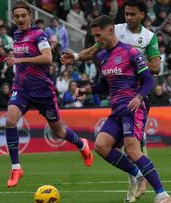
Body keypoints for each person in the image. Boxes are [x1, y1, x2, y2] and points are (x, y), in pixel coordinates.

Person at [61, 1, 160, 200]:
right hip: (117, 95)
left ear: (142, 14)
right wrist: (76, 56)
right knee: (118, 146)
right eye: (126, 14)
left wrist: (132, 62)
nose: (129, 17)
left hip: (138, 93)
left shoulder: (149, 37)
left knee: (133, 147)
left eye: (133, 14)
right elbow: (94, 50)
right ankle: (135, 181)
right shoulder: (114, 31)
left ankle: (153, 188)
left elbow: (155, 68)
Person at [3, 1, 93, 188]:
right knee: (10, 121)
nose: (20, 19)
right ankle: (16, 168)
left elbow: (47, 57)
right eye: (17, 16)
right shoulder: (17, 34)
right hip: (21, 89)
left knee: (59, 132)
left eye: (23, 15)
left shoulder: (38, 34)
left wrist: (19, 59)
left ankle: (81, 144)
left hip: (42, 91)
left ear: (30, 16)